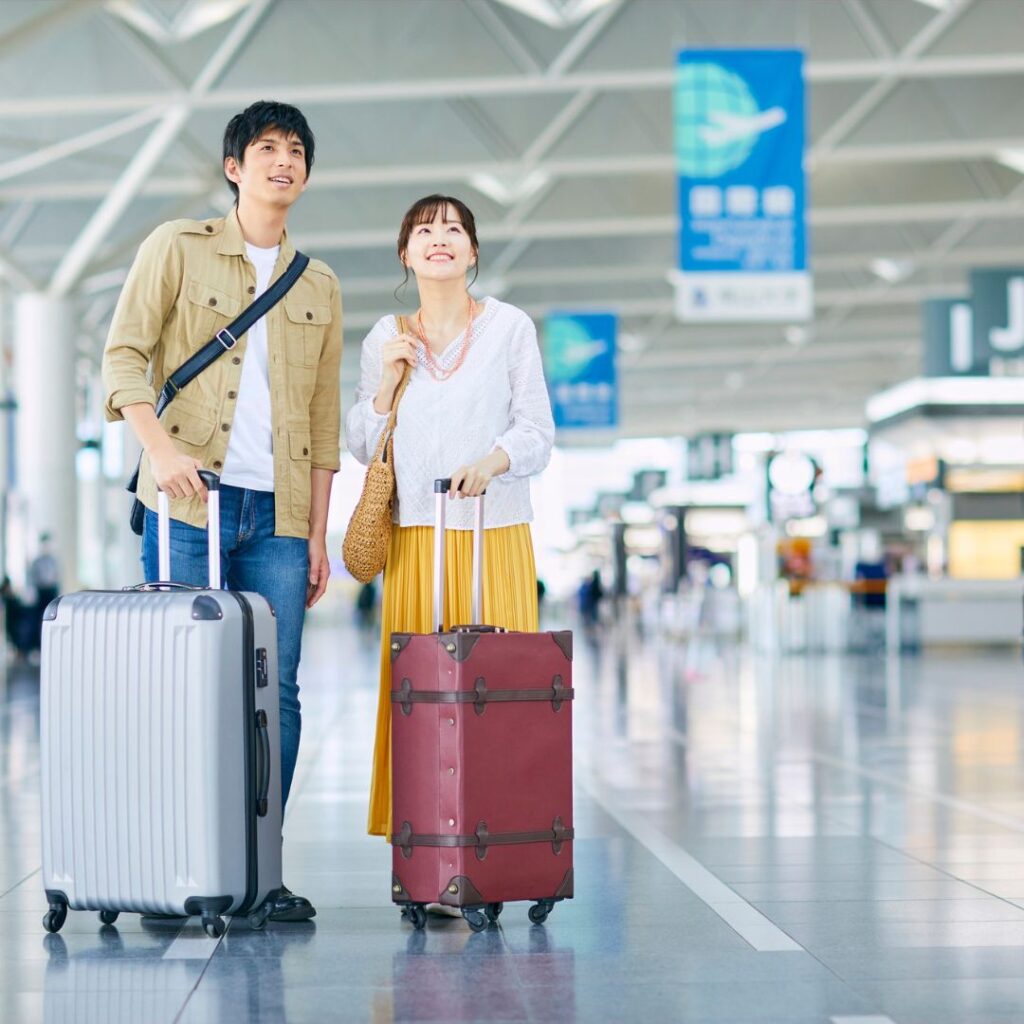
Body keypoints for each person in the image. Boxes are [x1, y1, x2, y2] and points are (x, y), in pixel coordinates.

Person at [101, 100, 342, 922]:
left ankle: (260, 869)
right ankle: (177, 863)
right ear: (234, 167)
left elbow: (321, 420)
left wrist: (316, 534)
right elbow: (123, 354)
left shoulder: (320, 284)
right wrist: (161, 452)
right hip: (185, 503)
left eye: (297, 150)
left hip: (278, 513)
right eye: (267, 147)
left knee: (279, 692)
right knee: (180, 682)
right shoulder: (177, 246)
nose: (284, 160)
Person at [346, 194, 555, 841]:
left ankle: (502, 839)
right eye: (425, 230)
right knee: (420, 695)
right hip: (415, 539)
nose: (440, 238)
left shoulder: (508, 327)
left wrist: (493, 461)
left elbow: (538, 431)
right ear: (405, 254)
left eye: (454, 229)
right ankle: (422, 847)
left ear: (472, 252)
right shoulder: (386, 336)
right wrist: (387, 384)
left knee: (500, 691)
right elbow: (360, 440)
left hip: (495, 533)